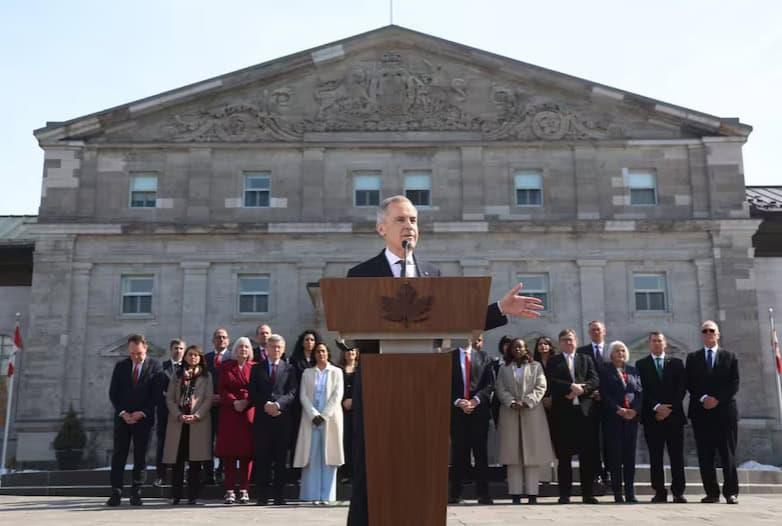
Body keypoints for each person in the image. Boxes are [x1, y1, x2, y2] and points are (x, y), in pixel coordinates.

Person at [346, 195, 542, 526]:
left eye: (414, 220)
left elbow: (454, 318)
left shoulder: (432, 275)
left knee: (421, 469)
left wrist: (498, 310)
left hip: (424, 385)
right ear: (381, 228)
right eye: (401, 220)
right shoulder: (361, 274)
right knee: (373, 469)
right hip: (379, 385)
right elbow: (352, 327)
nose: (410, 226)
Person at [495, 338, 555, 504]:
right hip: (511, 413)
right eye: (515, 347)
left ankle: (532, 493)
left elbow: (541, 386)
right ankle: (515, 493)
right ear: (511, 350)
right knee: (513, 456)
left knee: (532, 456)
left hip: (532, 413)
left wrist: (528, 401)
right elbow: (500, 387)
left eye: (521, 347)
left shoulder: (536, 366)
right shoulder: (504, 368)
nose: (518, 350)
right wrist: (511, 402)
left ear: (526, 349)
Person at [686, 320, 740, 504]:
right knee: (705, 455)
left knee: (727, 454)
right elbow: (690, 383)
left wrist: (717, 399)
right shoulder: (693, 358)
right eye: (705, 331)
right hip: (702, 413)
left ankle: (731, 492)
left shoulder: (730, 356)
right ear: (701, 335)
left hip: (725, 412)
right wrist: (703, 399)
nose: (708, 333)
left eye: (712, 330)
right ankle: (711, 493)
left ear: (718, 334)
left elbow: (734, 383)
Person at [107, 334, 163, 507]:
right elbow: (113, 393)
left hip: (143, 420)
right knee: (119, 456)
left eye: (138, 353)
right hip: (123, 419)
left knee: (140, 458)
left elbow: (156, 394)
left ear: (145, 348)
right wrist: (123, 412)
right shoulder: (121, 366)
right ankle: (116, 493)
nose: (135, 357)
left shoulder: (155, 366)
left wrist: (142, 412)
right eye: (132, 353)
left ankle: (136, 493)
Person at [546, 328, 600, 504]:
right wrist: (571, 388)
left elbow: (594, 380)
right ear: (560, 343)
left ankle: (587, 493)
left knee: (588, 457)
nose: (568, 343)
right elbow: (551, 381)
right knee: (564, 457)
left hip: (585, 414)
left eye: (570, 339)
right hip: (563, 416)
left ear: (576, 341)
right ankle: (564, 494)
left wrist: (582, 389)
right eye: (564, 340)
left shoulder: (586, 358)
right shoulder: (554, 361)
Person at [635, 331, 687, 503]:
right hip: (653, 417)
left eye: (660, 341)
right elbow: (641, 389)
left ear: (665, 344)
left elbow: (681, 388)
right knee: (655, 456)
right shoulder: (641, 364)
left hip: (674, 416)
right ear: (649, 344)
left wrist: (668, 408)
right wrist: (657, 407)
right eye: (654, 341)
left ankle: (678, 491)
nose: (657, 344)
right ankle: (659, 491)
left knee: (676, 456)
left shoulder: (677, 363)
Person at [249, 334, 298, 505]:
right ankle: (262, 496)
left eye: (279, 347)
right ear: (267, 349)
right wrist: (266, 404)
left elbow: (292, 392)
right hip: (262, 419)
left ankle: (279, 496)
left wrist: (277, 405)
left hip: (282, 419)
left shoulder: (290, 369)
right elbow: (253, 392)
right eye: (273, 347)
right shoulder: (257, 368)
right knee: (262, 458)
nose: (276, 350)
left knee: (280, 458)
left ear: (283, 349)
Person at [294, 342, 345, 504]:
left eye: (323, 351)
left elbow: (337, 395)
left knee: (329, 456)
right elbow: (303, 396)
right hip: (311, 418)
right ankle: (311, 495)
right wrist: (314, 414)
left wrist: (324, 415)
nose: (321, 354)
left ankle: (327, 496)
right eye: (318, 352)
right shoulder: (307, 373)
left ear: (328, 353)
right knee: (312, 454)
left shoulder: (336, 372)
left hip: (330, 418)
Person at [163, 344, 213, 505]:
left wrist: (197, 415)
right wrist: (178, 414)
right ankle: (176, 495)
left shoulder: (206, 376)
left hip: (198, 423)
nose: (193, 357)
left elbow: (208, 399)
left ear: (200, 358)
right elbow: (169, 398)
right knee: (177, 461)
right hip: (179, 422)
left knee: (195, 462)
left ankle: (192, 495)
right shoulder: (177, 375)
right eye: (190, 354)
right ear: (185, 357)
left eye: (196, 355)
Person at [449, 338, 494, 505]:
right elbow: (445, 382)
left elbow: (490, 384)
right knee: (459, 454)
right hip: (457, 413)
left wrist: (476, 400)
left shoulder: (484, 357)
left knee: (481, 454)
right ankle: (455, 494)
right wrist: (457, 401)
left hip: (478, 412)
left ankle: (484, 494)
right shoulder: (449, 357)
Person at [599, 341, 642, 503]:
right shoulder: (605, 371)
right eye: (617, 351)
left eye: (623, 351)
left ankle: (630, 492)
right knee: (615, 457)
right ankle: (618, 492)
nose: (620, 354)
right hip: (614, 418)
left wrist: (635, 410)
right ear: (611, 354)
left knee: (629, 457)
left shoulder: (633, 371)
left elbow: (639, 392)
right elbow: (605, 394)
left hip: (631, 419)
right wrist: (618, 409)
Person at [215, 336, 256, 504]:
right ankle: (230, 490)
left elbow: (257, 389)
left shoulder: (254, 367)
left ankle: (244, 489)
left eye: (246, 347)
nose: (243, 350)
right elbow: (222, 388)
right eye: (240, 347)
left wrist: (246, 401)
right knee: (230, 453)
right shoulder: (226, 367)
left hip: (248, 412)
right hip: (230, 413)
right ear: (235, 349)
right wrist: (234, 401)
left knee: (247, 454)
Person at [576, 320, 609, 488]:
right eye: (592, 330)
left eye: (598, 330)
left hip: (609, 402)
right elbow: (581, 376)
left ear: (604, 332)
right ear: (589, 333)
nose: (595, 332)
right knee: (592, 439)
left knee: (609, 439)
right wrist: (591, 392)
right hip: (589, 402)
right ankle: (595, 472)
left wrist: (604, 393)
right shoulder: (582, 352)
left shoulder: (612, 351)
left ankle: (609, 472)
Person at [154, 338, 185, 487]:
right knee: (163, 444)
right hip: (165, 413)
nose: (178, 351)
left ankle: (180, 476)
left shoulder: (189, 368)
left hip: (182, 412)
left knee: (182, 445)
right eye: (175, 348)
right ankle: (161, 475)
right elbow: (157, 390)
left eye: (180, 348)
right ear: (170, 350)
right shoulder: (161, 368)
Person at [288, 330, 322, 467]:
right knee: (298, 436)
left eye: (312, 340)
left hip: (316, 404)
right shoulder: (295, 360)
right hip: (299, 404)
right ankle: (296, 470)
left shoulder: (318, 359)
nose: (309, 342)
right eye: (307, 340)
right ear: (302, 342)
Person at [204, 327, 231, 484]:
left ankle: (221, 469)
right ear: (213, 340)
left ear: (227, 340)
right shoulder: (206, 358)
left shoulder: (232, 358)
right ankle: (208, 473)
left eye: (224, 337)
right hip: (208, 406)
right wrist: (209, 397)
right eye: (218, 337)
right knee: (207, 439)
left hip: (225, 406)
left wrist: (222, 397)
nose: (221, 340)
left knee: (223, 439)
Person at [337, 340, 359, 483]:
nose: (350, 353)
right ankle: (344, 473)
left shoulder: (361, 369)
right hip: (341, 410)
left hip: (357, 410)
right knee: (344, 441)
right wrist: (344, 400)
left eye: (353, 351)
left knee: (356, 441)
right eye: (348, 351)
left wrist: (354, 400)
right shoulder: (338, 369)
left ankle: (355, 473)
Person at [490, 335, 513, 428]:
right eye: (506, 344)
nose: (507, 347)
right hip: (498, 399)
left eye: (510, 344)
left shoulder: (518, 363)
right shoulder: (495, 363)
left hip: (513, 397)